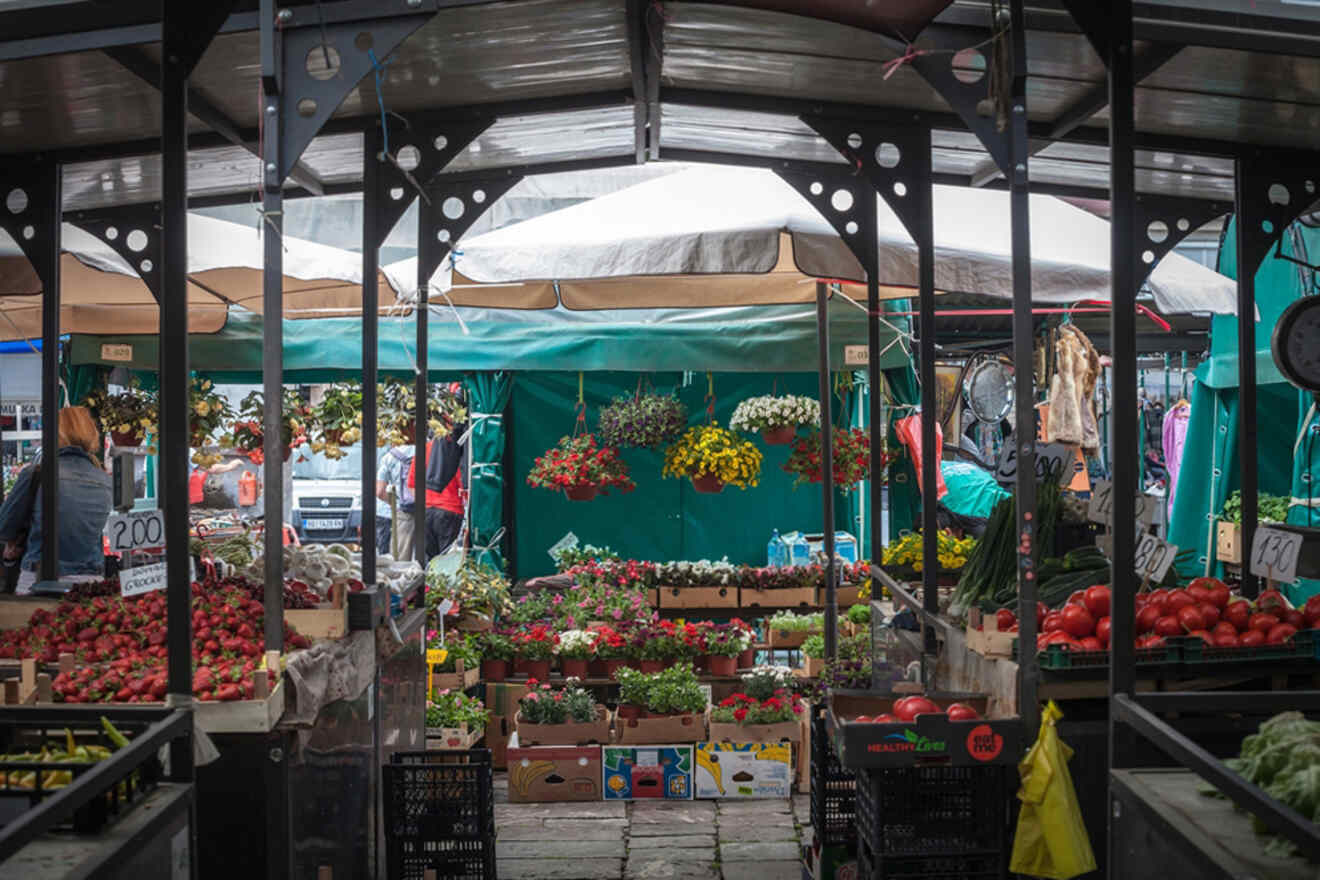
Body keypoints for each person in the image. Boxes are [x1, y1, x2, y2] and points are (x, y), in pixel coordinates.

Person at [0, 407, 112, 594]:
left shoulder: (35, 474)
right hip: (91, 583)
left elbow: (5, 528)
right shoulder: (104, 480)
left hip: (40, 580)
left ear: (53, 434)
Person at [408, 425, 466, 560]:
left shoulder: (422, 451)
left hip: (426, 511)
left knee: (430, 559)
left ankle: (431, 581)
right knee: (447, 559)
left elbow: (411, 485)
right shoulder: (454, 450)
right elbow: (462, 484)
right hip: (450, 510)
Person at [375, 443, 414, 557]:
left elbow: (379, 491)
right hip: (430, 508)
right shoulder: (427, 449)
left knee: (401, 556)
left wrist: (396, 503)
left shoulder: (389, 457)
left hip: (403, 511)